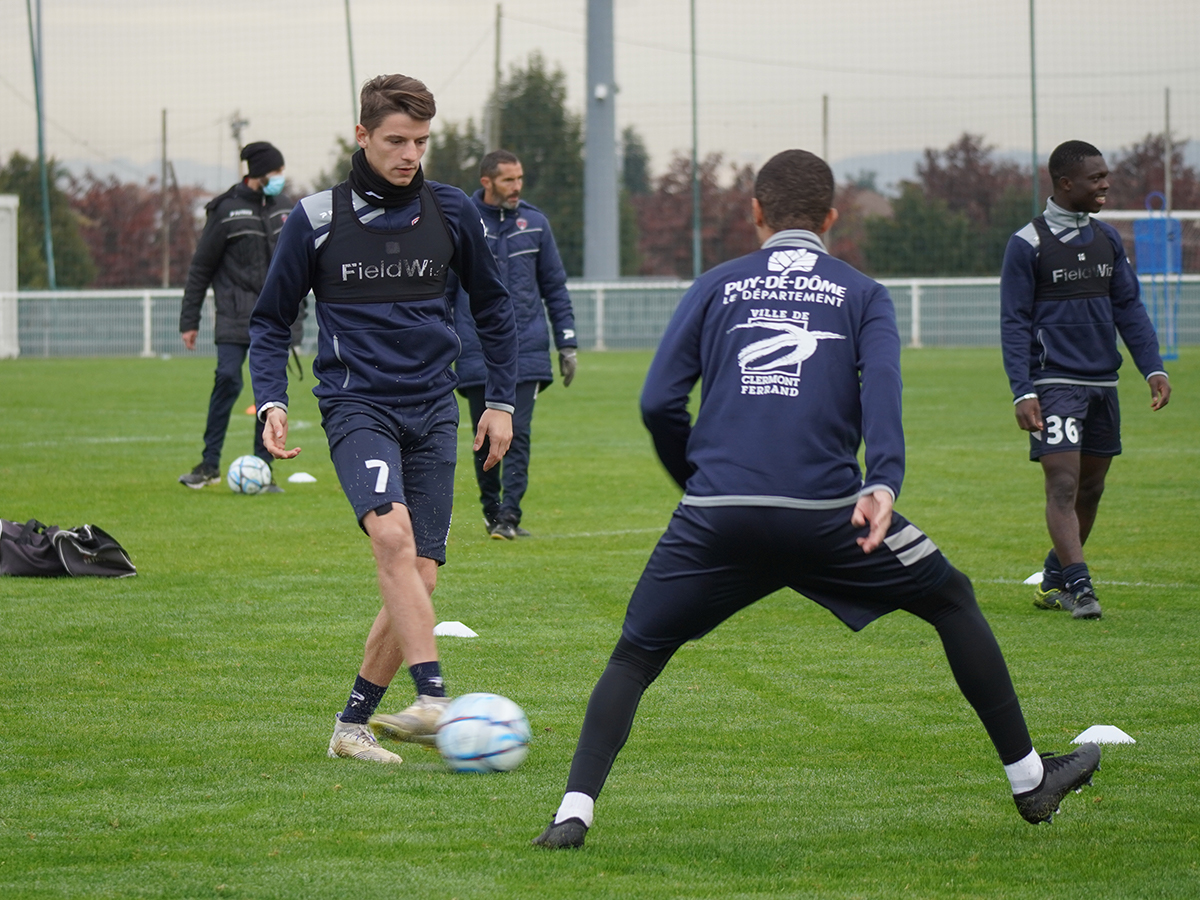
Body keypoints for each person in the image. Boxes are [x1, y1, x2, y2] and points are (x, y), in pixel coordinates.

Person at [532, 149, 1100, 850]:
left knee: (635, 655)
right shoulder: (862, 293)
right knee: (950, 597)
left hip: (715, 519)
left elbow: (657, 402)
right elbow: (883, 397)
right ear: (833, 218)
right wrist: (882, 482)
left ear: (755, 213)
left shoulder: (716, 284)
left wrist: (701, 485)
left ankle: (574, 813)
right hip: (833, 517)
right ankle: (1028, 780)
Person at [248, 74, 518, 764]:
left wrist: (500, 402)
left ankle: (351, 726)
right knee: (392, 540)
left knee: (421, 578)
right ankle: (433, 696)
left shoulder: (453, 211)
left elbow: (494, 311)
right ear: (362, 135)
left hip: (433, 409)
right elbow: (272, 322)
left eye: (421, 142)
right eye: (396, 140)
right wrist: (273, 398)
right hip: (357, 405)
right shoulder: (314, 220)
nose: (409, 154)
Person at [1001, 140, 1170, 621]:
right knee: (1062, 484)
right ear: (1065, 183)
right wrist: (1023, 388)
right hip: (1054, 383)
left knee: (1090, 490)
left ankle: (1055, 580)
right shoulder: (1026, 244)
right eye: (1096, 178)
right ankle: (1080, 587)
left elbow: (1129, 309)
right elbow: (1013, 321)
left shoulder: (1108, 239)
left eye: (1105, 175)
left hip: (1104, 385)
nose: (1105, 184)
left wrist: (1152, 366)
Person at [450, 149, 578, 540]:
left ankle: (509, 515)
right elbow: (444, 290)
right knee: (483, 434)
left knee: (517, 432)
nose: (516, 187)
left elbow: (554, 287)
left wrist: (567, 343)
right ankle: (491, 510)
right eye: (508, 180)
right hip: (475, 349)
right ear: (487, 182)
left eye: (519, 178)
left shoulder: (535, 224)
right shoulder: (462, 222)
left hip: (526, 348)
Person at [178, 141, 297, 491]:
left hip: (274, 320)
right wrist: (190, 320)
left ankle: (263, 467)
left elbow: (299, 269)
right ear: (258, 173)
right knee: (227, 380)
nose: (280, 179)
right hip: (233, 316)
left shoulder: (285, 209)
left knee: (269, 395)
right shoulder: (225, 211)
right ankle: (209, 464)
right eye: (276, 172)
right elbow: (201, 268)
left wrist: (297, 319)